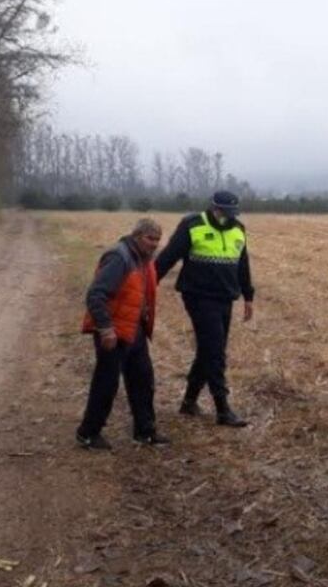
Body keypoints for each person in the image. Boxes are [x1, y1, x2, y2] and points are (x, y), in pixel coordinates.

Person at [155, 190, 254, 427]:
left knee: (209, 350)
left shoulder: (238, 229)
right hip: (198, 296)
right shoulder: (192, 225)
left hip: (225, 296)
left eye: (232, 213)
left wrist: (248, 296)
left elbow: (243, 264)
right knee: (216, 351)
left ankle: (189, 402)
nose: (228, 217)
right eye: (224, 212)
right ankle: (223, 409)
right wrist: (148, 283)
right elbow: (168, 257)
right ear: (213, 208)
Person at [77, 218, 169, 450]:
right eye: (150, 238)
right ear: (137, 236)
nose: (154, 244)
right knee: (106, 383)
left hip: (133, 328)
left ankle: (145, 432)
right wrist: (106, 329)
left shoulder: (143, 259)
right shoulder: (120, 257)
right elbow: (96, 295)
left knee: (143, 379)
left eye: (158, 240)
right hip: (113, 331)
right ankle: (88, 434)